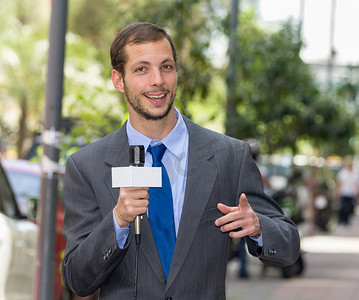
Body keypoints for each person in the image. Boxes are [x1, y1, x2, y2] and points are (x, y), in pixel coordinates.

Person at [61, 22, 300, 299]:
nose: (158, 81)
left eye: (166, 67)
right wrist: (118, 221)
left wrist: (259, 227)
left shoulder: (229, 157)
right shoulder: (86, 166)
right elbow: (77, 280)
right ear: (118, 80)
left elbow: (290, 247)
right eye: (141, 69)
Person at [334, 156, 359, 226]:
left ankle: (347, 220)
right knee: (343, 207)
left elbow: (356, 183)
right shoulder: (342, 172)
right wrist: (336, 192)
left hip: (351, 193)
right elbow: (339, 183)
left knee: (350, 208)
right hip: (344, 192)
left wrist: (358, 192)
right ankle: (342, 220)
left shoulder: (355, 172)